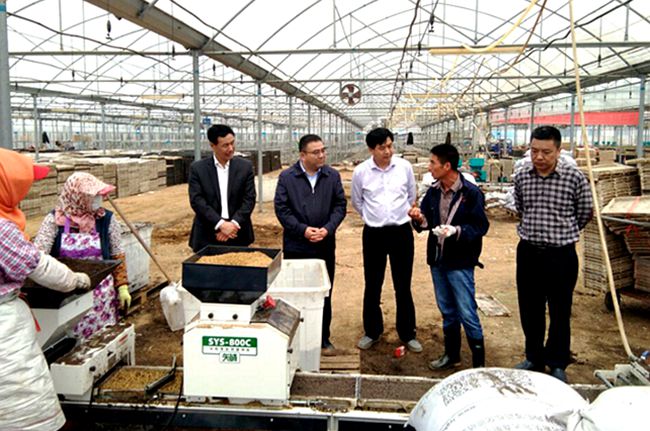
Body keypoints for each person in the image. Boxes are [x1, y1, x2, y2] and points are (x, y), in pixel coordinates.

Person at [0, 148, 91, 430]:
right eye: (21, 186)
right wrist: (75, 280)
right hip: (4, 332)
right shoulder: (2, 230)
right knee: (23, 406)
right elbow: (39, 265)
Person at [513, 125, 593, 383]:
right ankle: (534, 357)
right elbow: (520, 207)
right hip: (529, 253)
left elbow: (585, 212)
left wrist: (561, 234)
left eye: (546, 152)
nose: (539, 157)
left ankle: (557, 362)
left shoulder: (574, 177)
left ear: (559, 151)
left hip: (561, 255)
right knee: (530, 308)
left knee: (560, 310)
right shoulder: (522, 176)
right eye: (534, 151)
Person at [409, 143, 489, 370]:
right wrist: (417, 218)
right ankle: (452, 355)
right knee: (447, 309)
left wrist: (457, 231)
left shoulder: (470, 193)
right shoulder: (434, 192)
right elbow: (426, 223)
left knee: (467, 311)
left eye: (433, 162)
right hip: (438, 259)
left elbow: (480, 226)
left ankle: (479, 366)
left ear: (447, 166)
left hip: (460, 261)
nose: (429, 166)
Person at [34, 172, 131, 340]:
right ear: (77, 196)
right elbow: (39, 256)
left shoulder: (106, 219)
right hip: (67, 294)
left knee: (102, 341)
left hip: (101, 296)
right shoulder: (54, 220)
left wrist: (122, 286)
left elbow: (117, 253)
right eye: (93, 196)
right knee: (69, 342)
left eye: (98, 195)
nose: (98, 200)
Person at [351, 127, 422, 353]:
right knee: (373, 283)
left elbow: (411, 195)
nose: (388, 151)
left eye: (390, 146)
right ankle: (372, 331)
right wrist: (373, 217)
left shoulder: (404, 167)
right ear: (371, 149)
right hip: (374, 234)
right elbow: (357, 202)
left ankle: (407, 333)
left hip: (401, 232)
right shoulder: (361, 172)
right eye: (382, 148)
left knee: (403, 284)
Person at [274, 134, 347, 350]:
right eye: (316, 152)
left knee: (324, 293)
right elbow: (282, 209)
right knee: (296, 293)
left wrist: (328, 229)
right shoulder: (287, 177)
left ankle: (322, 337)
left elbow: (340, 206)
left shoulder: (332, 176)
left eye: (323, 150)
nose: (322, 155)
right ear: (302, 155)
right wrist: (303, 230)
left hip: (324, 245)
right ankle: (296, 338)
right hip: (297, 246)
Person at [188, 124, 256, 252]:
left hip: (238, 233)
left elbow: (249, 199)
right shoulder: (198, 169)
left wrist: (233, 224)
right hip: (207, 234)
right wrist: (220, 224)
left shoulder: (245, 167)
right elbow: (197, 201)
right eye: (225, 145)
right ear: (212, 145)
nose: (230, 148)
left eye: (232, 143)